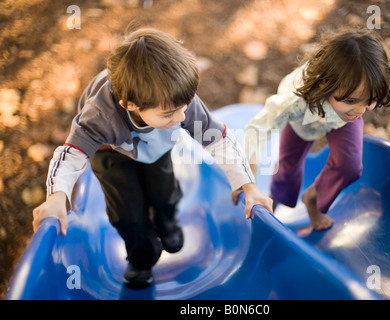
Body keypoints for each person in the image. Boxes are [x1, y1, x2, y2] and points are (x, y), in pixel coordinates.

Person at [32, 28, 273, 289]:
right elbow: (70, 155)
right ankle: (142, 256)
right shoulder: (101, 115)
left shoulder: (179, 103)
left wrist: (247, 185)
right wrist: (57, 197)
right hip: (110, 152)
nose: (181, 118)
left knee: (163, 189)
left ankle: (167, 221)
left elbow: (220, 141)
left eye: (183, 108)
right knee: (127, 210)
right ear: (130, 104)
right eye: (170, 113)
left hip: (157, 144)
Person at [243, 28, 390, 231]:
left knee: (349, 165)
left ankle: (313, 198)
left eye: (371, 101)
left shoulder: (372, 83)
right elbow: (258, 128)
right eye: (351, 100)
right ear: (325, 84)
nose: (360, 111)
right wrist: (249, 184)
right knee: (287, 170)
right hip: (302, 122)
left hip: (340, 121)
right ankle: (272, 205)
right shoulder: (294, 101)